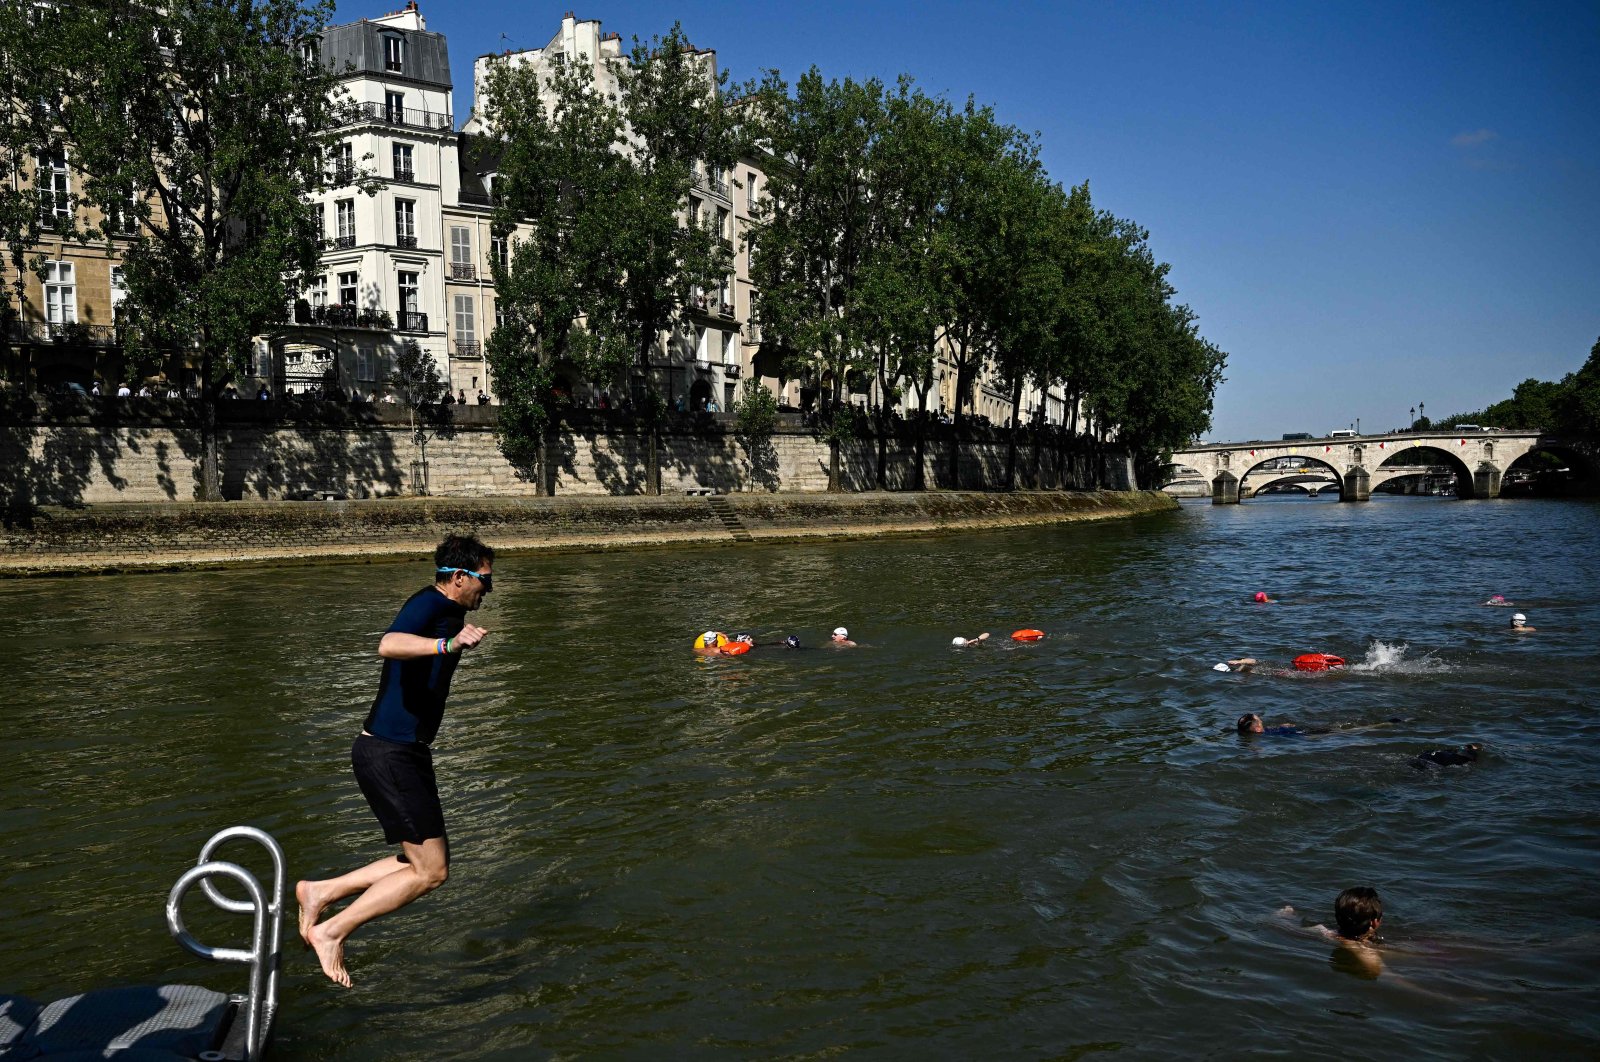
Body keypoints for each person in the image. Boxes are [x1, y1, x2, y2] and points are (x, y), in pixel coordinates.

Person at [296, 535, 494, 987]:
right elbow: (388, 644)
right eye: (486, 579)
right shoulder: (429, 604)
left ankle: (321, 892)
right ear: (459, 577)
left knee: (423, 863)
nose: (490, 588)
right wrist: (448, 646)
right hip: (389, 753)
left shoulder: (451, 612)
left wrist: (453, 638)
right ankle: (332, 931)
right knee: (432, 871)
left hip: (400, 753)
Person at [1412, 743, 1481, 769]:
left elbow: (1461, 748)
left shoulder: (1451, 751)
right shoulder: (1461, 761)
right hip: (1432, 763)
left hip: (1424, 756)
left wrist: (1470, 746)